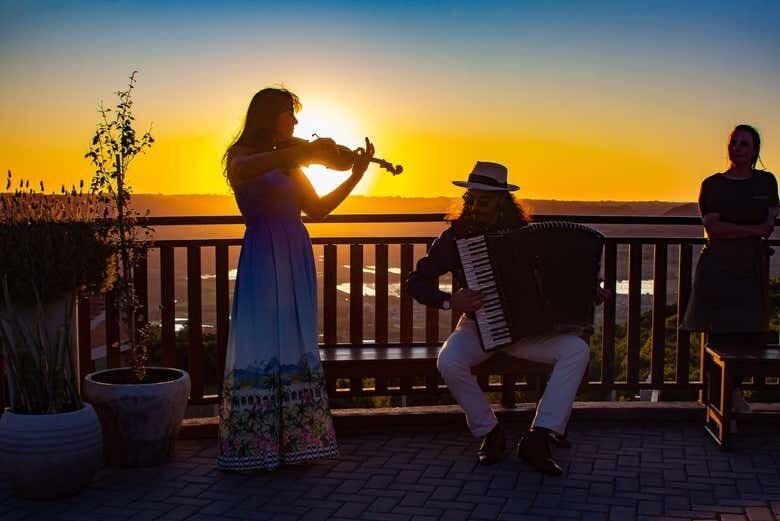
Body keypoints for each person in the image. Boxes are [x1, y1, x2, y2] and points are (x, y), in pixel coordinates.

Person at [406, 161, 604, 476]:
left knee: (576, 350)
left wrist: (588, 292)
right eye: (469, 199)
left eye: (483, 200)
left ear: (501, 201)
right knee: (449, 361)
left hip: (525, 334)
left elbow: (559, 282)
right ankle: (490, 432)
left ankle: (539, 438)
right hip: (476, 328)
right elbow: (416, 281)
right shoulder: (455, 238)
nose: (474, 206)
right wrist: (449, 300)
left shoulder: (529, 235)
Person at [217, 87, 374, 471]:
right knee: (261, 341)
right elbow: (243, 171)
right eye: (290, 113)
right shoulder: (242, 156)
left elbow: (318, 210)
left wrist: (357, 174)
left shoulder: (292, 163)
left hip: (295, 253)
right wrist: (303, 152)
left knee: (295, 338)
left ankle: (297, 441)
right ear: (270, 115)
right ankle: (257, 446)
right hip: (261, 252)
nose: (297, 122)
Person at [682, 124, 778, 413]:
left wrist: (743, 229)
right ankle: (720, 400)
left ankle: (733, 396)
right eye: (733, 142)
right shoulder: (712, 184)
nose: (737, 147)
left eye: (744, 144)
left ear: (754, 150)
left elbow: (769, 225)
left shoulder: (766, 182)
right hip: (719, 269)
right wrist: (752, 229)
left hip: (751, 269)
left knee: (751, 334)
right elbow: (713, 227)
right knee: (720, 335)